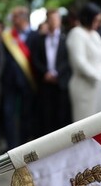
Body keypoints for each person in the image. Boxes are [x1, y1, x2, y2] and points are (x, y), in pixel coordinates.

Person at [28, 7, 72, 136]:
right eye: (51, 19)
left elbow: (68, 59)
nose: (53, 22)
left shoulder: (66, 38)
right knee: (46, 117)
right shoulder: (40, 40)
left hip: (61, 83)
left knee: (61, 116)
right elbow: (35, 59)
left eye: (56, 19)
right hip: (45, 83)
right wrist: (45, 73)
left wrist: (57, 73)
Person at [0, 6, 35, 150]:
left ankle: (25, 146)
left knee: (26, 115)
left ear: (23, 19)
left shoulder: (35, 35)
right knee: (9, 115)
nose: (13, 21)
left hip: (27, 82)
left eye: (15, 18)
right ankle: (11, 146)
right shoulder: (7, 36)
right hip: (9, 83)